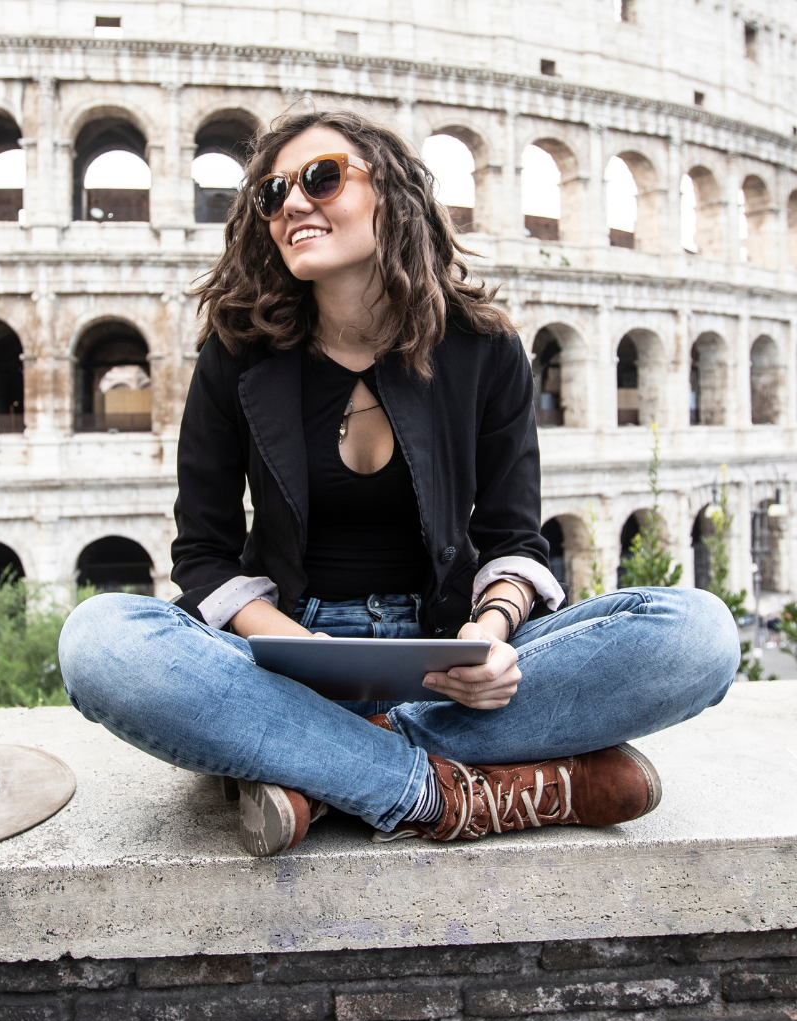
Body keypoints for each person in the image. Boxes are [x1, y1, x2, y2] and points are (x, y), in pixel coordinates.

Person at [59, 109, 740, 857]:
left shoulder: (484, 349)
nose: (290, 203)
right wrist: (295, 649)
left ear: (395, 195)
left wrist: (490, 635)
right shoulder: (237, 353)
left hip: (444, 657)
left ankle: (316, 765)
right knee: (100, 642)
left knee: (697, 635)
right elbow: (204, 554)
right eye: (271, 193)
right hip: (282, 659)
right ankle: (436, 792)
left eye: (321, 178)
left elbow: (513, 540)